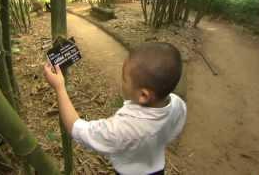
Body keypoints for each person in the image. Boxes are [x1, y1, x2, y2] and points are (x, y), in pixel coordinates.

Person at [43, 42, 187, 175]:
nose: (122, 81)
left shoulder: (123, 129)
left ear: (143, 95)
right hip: (157, 168)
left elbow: (78, 129)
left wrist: (60, 88)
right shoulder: (178, 105)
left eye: (124, 78)